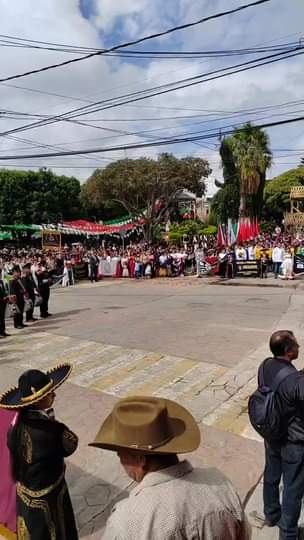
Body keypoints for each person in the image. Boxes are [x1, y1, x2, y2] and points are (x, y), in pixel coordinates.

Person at [90, 396, 251, 540]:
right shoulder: (220, 484)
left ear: (140, 460)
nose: (120, 460)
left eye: (120, 454)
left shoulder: (125, 522)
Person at [0, 363, 79, 540]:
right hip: (49, 495)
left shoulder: (16, 425)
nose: (54, 394)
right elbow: (71, 445)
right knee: (57, 531)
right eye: (50, 394)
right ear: (39, 400)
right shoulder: (50, 431)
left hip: (25, 493)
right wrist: (53, 424)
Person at [262, 330, 304, 540]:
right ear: (288, 351)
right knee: (293, 488)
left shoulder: (266, 365)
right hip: (293, 441)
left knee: (271, 475)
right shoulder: (295, 380)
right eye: (296, 345)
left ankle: (271, 515)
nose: (299, 348)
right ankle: (288, 534)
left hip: (271, 433)